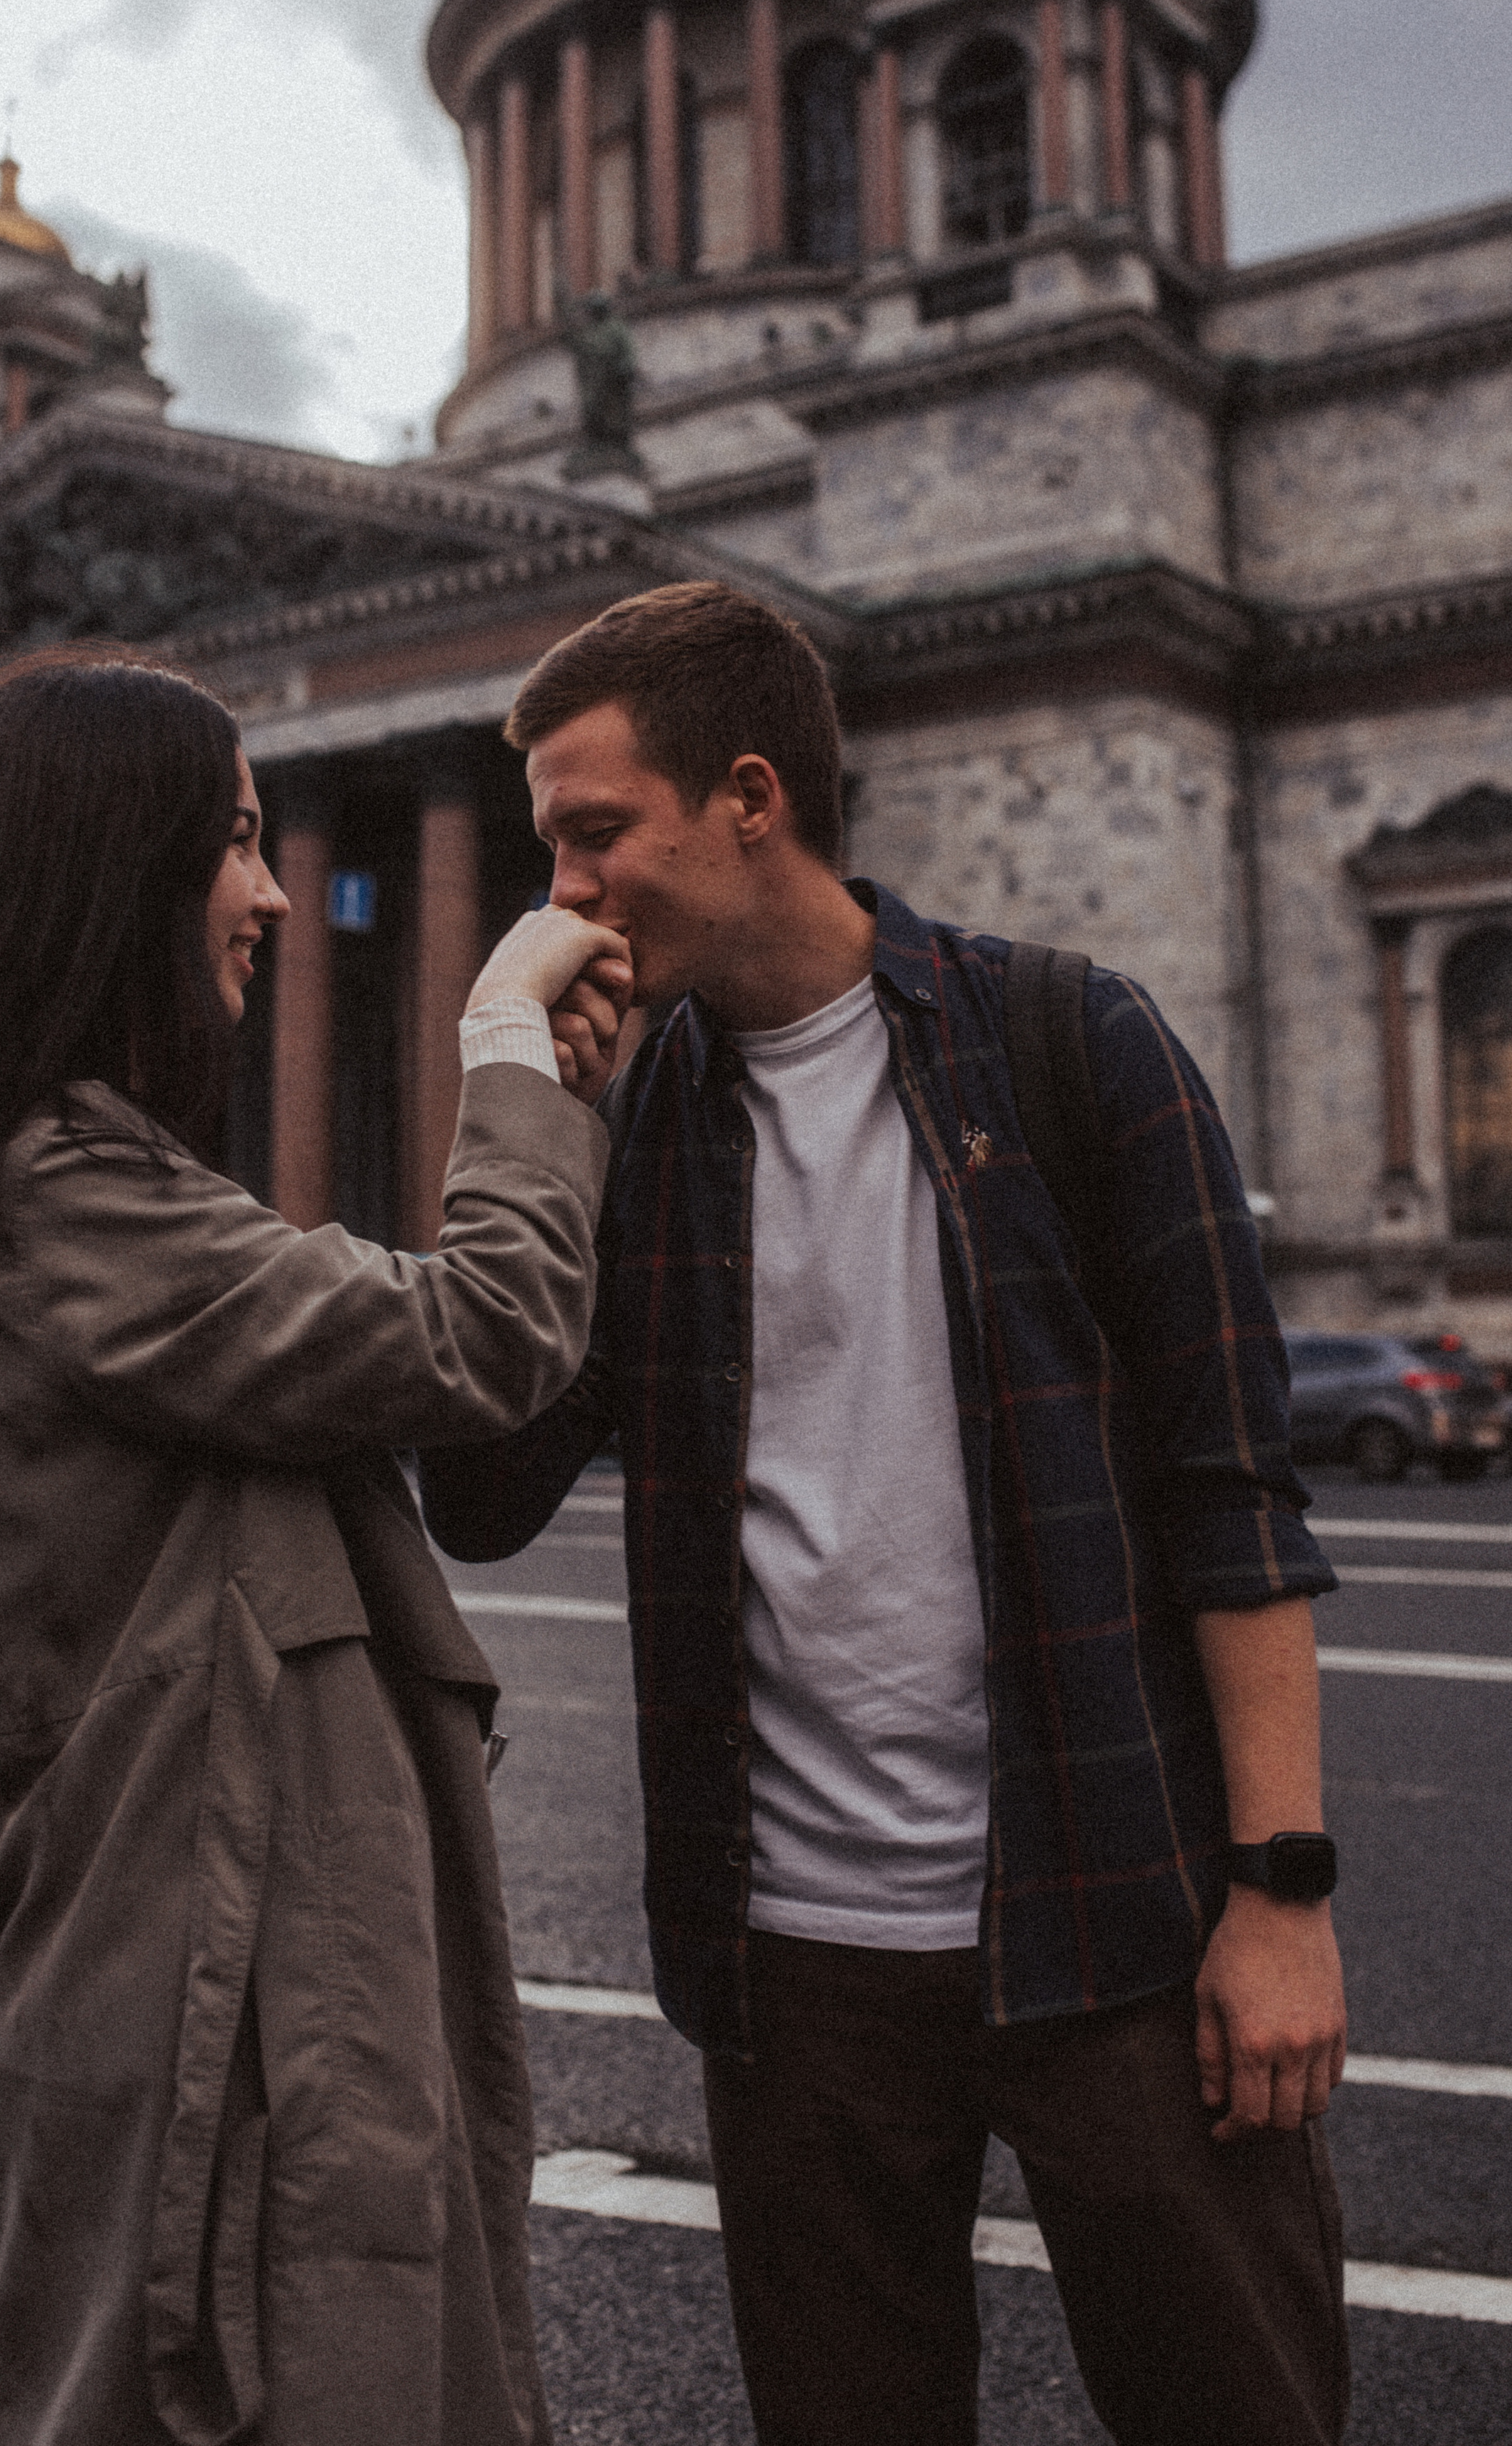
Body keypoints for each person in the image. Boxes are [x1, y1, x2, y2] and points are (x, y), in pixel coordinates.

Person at [420, 582, 1351, 2446]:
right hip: (792, 1966)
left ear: (749, 797)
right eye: (547, 851)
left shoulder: (1068, 1040)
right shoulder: (642, 1120)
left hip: (1121, 1926)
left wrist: (1280, 1896)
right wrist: (522, 1105)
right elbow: (481, 1487)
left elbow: (1231, 1493)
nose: (560, 898)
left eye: (595, 834)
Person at [0, 649, 629, 2446]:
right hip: (206, 2012)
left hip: (201, 1979)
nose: (273, 893)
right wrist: (501, 1043)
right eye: (234, 838)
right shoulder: (65, 1192)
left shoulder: (67, 1178)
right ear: (106, 872)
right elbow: (481, 1332)